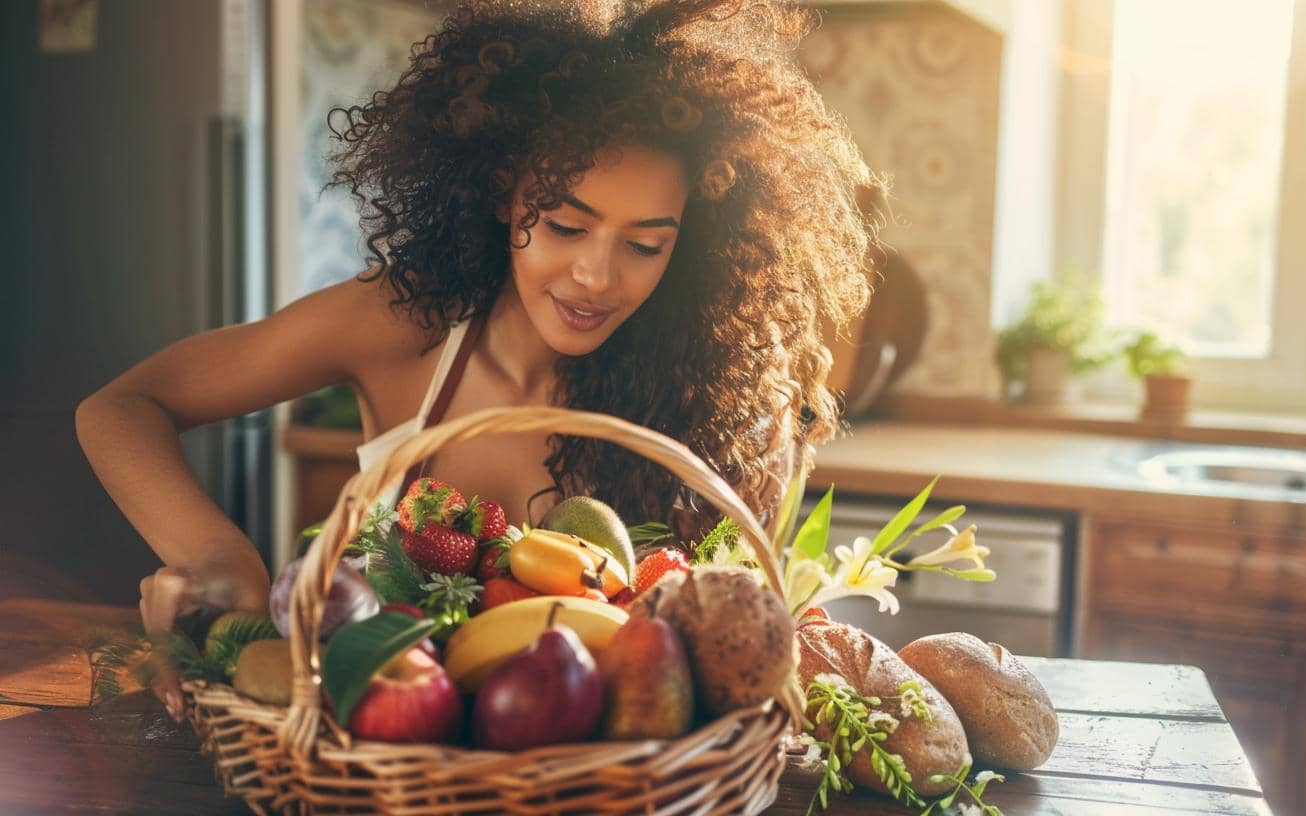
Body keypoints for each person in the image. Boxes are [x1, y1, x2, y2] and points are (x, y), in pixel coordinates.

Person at [75, 0, 882, 717]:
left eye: (644, 244)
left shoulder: (713, 398)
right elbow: (119, 410)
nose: (596, 277)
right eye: (566, 227)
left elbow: (741, 657)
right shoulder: (405, 325)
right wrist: (221, 560)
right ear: (503, 192)